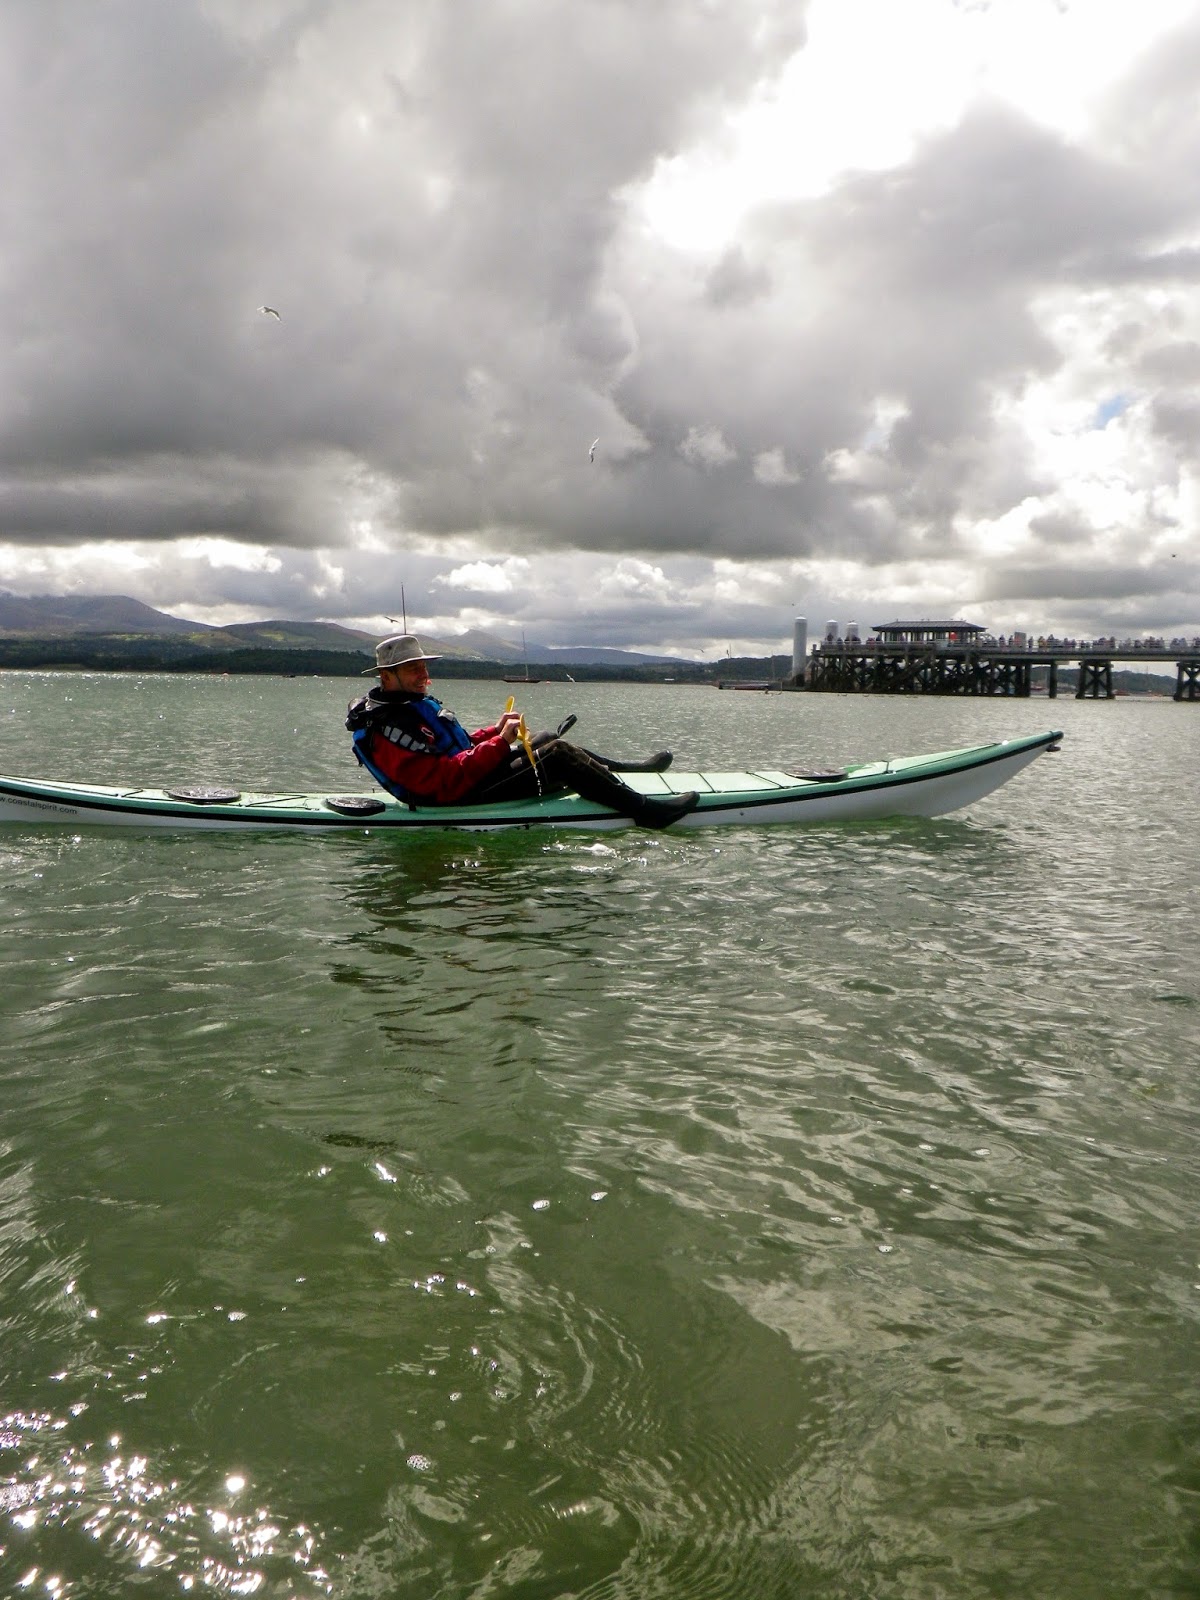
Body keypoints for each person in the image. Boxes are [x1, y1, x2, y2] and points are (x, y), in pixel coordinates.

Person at [346, 634, 699, 829]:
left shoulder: (406, 704)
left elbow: (457, 747)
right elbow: (442, 779)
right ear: (386, 676)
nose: (423, 674)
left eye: (423, 666)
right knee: (558, 756)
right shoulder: (387, 726)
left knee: (547, 738)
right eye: (412, 669)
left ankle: (630, 771)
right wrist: (501, 744)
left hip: (458, 783)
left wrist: (494, 732)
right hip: (448, 799)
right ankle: (646, 812)